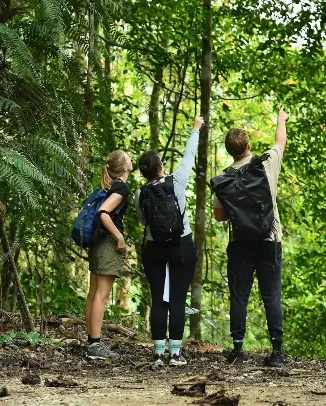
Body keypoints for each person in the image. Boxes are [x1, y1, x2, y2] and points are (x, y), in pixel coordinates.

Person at [214, 107, 289, 367]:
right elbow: (280, 141)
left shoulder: (223, 179)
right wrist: (280, 119)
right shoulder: (266, 164)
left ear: (229, 150)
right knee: (271, 294)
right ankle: (277, 352)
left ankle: (237, 350)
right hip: (270, 240)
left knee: (239, 295)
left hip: (241, 243)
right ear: (248, 145)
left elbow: (220, 217)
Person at [135, 116, 205, 367]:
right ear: (161, 166)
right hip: (181, 246)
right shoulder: (176, 181)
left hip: (155, 249)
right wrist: (196, 128)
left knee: (158, 299)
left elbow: (143, 221)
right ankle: (175, 354)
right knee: (177, 298)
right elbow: (189, 155)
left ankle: (157, 354)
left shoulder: (140, 193)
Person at [85, 150, 133, 360]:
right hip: (107, 244)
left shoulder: (108, 185)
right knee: (101, 296)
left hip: (97, 242)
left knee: (94, 293)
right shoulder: (120, 187)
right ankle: (95, 345)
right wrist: (119, 237)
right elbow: (103, 213)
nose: (131, 159)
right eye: (128, 157)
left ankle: (91, 341)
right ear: (124, 167)